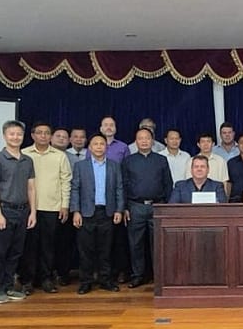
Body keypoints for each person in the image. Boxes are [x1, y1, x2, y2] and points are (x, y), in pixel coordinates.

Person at [0, 120, 37, 304]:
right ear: (5, 136)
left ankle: (8, 286)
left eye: (18, 134)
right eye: (12, 134)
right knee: (0, 252)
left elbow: (31, 188)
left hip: (23, 211)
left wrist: (32, 213)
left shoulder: (27, 160)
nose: (15, 137)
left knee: (16, 252)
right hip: (4, 211)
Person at [21, 121, 73, 294]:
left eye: (46, 133)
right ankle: (27, 280)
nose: (43, 136)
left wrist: (65, 205)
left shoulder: (59, 156)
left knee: (48, 246)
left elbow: (66, 181)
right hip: (29, 208)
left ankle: (46, 279)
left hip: (52, 207)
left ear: (50, 136)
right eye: (39, 132)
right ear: (32, 135)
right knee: (29, 246)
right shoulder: (24, 154)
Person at [71, 134, 124, 294]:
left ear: (106, 147)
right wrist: (76, 211)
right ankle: (86, 281)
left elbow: (119, 189)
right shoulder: (81, 166)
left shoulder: (114, 166)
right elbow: (75, 189)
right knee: (85, 250)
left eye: (102, 144)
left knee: (105, 250)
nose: (99, 146)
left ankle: (105, 280)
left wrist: (119, 210)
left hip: (107, 213)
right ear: (90, 147)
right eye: (96, 144)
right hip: (86, 213)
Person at [122, 128, 172, 289]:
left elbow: (168, 184)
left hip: (158, 206)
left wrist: (167, 206)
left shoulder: (161, 160)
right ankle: (138, 276)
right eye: (140, 138)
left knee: (158, 243)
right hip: (135, 206)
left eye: (147, 138)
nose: (144, 141)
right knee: (135, 243)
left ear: (152, 141)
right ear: (136, 142)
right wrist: (124, 207)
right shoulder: (128, 161)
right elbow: (122, 185)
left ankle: (159, 276)